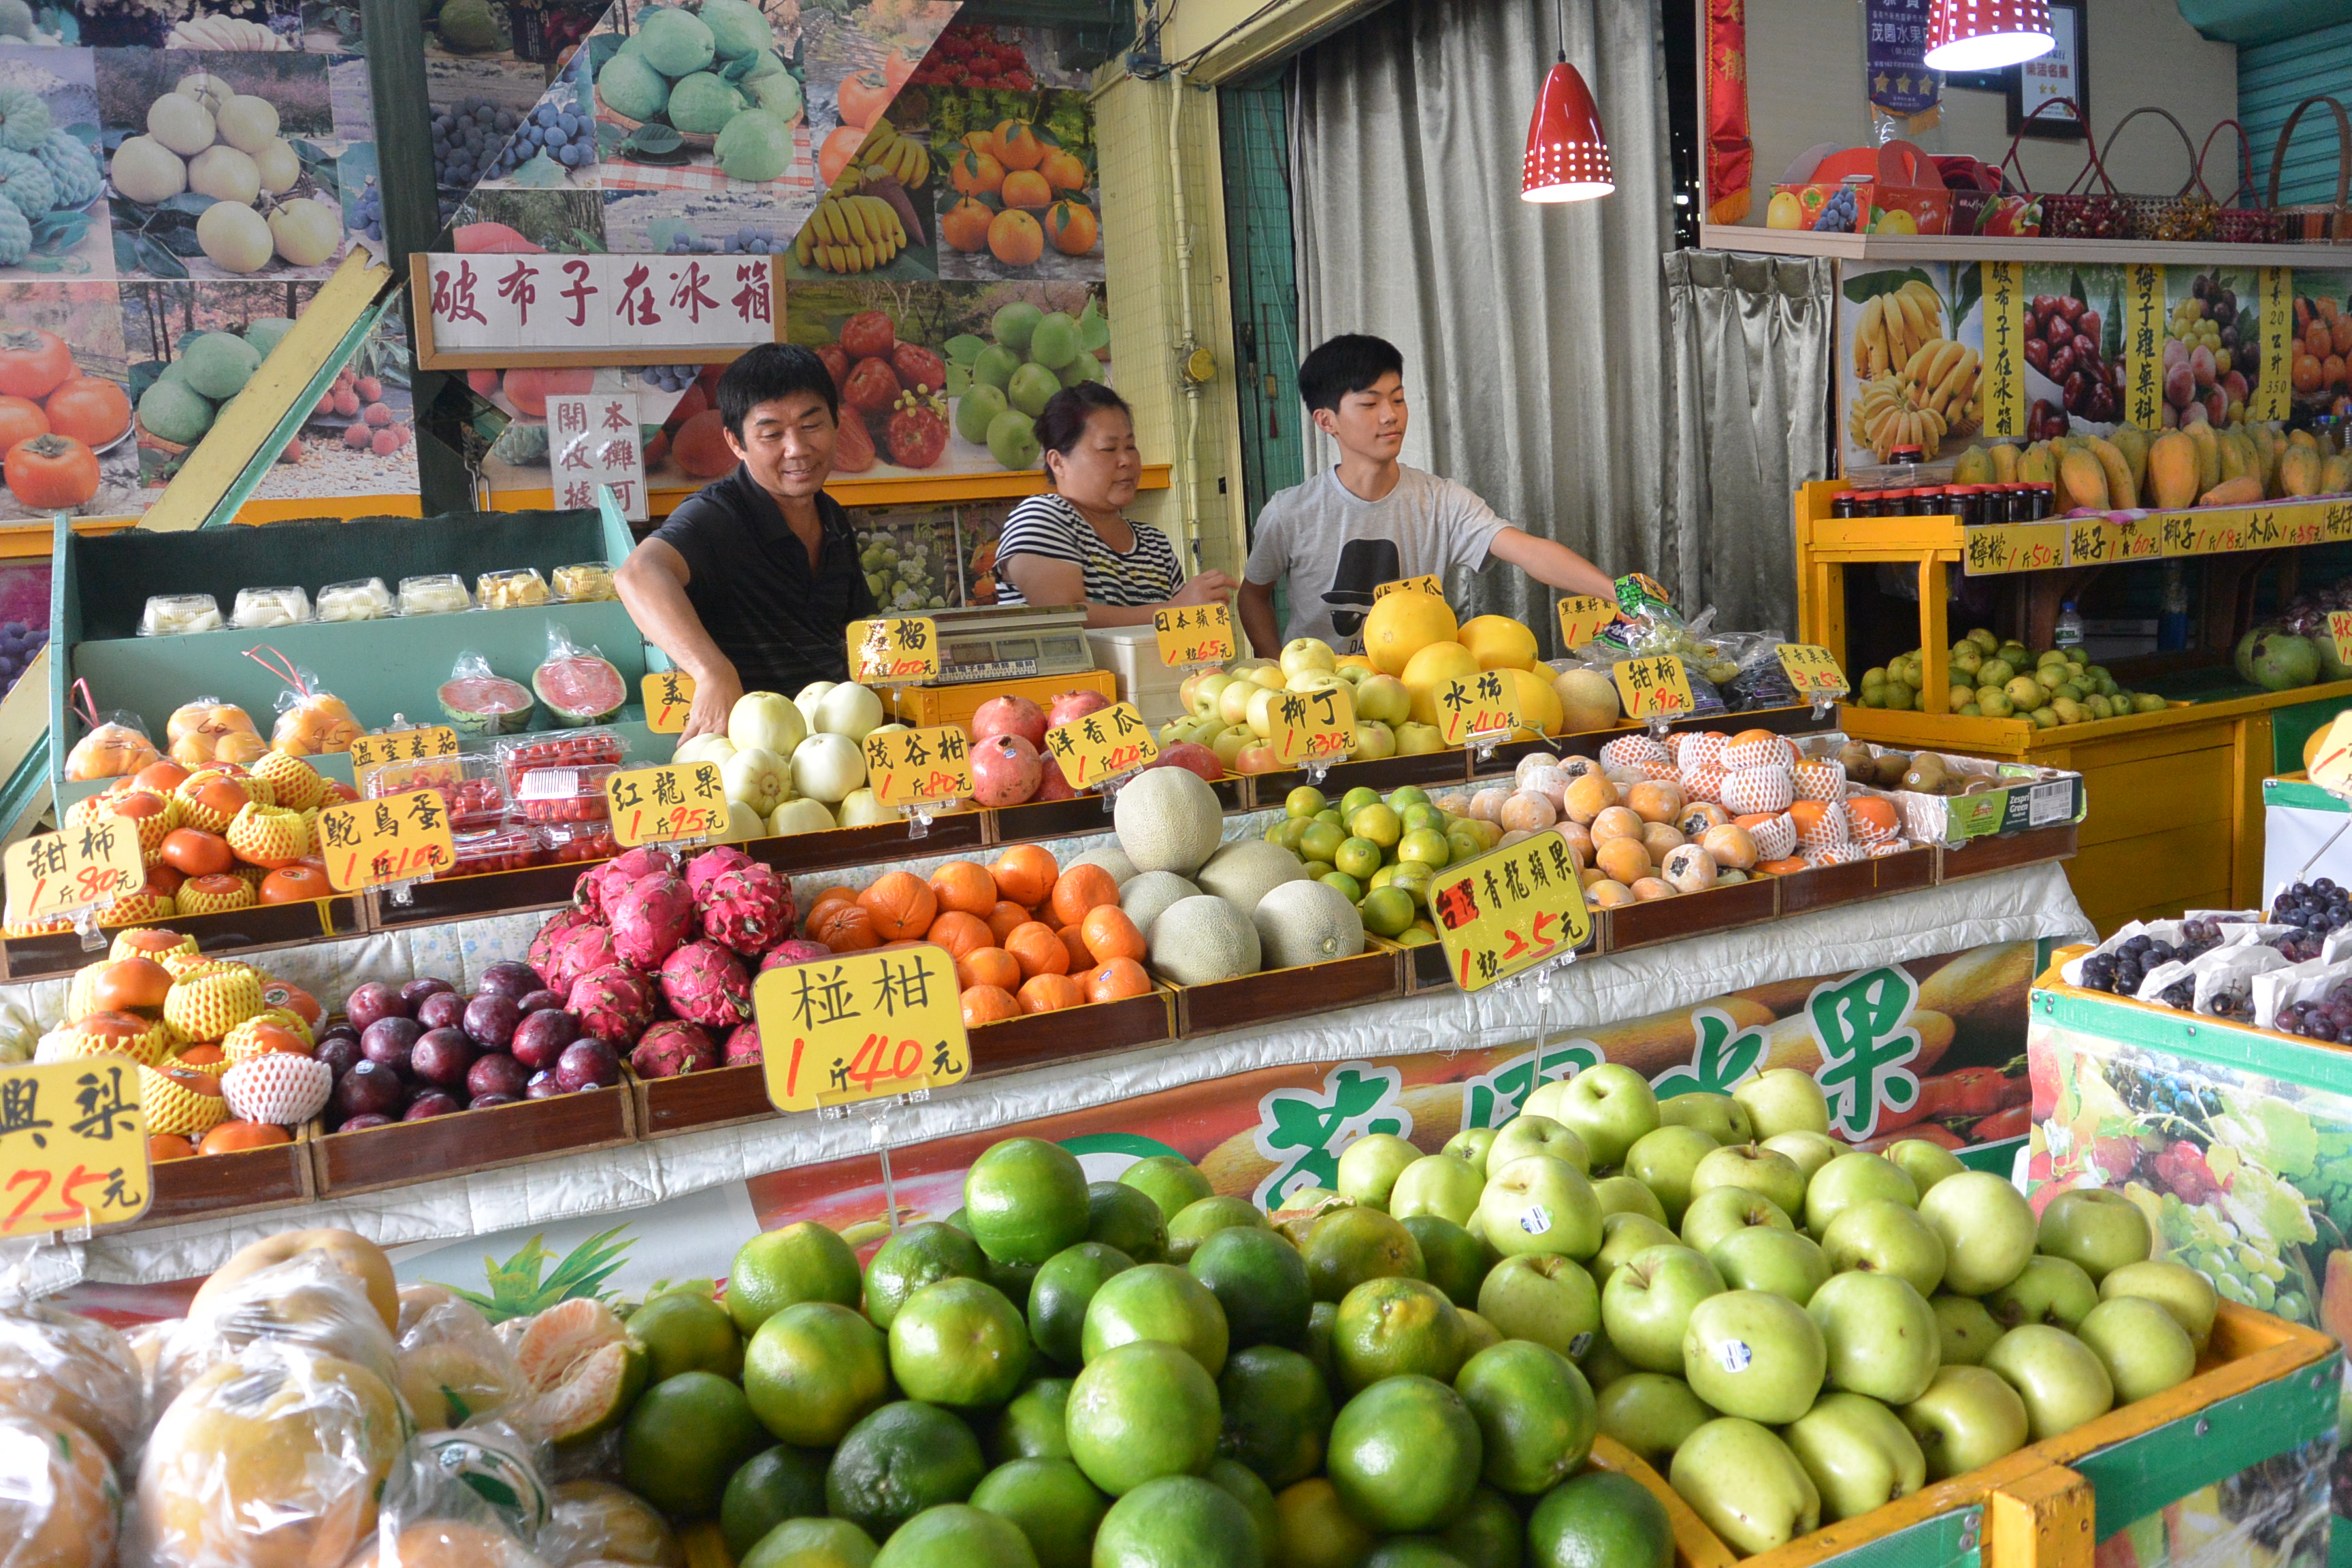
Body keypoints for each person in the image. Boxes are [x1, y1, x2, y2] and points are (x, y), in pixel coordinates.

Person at [1238, 334, 1617, 654]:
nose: (1390, 415)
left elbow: (1530, 551)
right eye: (1370, 403)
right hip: (1326, 696)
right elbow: (1253, 595)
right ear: (1326, 421)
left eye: (1398, 399)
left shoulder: (1441, 501)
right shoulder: (1290, 512)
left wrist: (1618, 593)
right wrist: (1277, 668)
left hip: (1420, 687)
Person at [617, 344, 875, 740]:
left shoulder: (833, 517)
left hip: (830, 746)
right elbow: (637, 574)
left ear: (836, 422)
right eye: (772, 434)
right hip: (744, 751)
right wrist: (711, 671)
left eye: (811, 426)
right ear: (736, 443)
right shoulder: (717, 515)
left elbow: (854, 629)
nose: (797, 449)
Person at [993, 382, 1237, 625]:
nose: (1126, 460)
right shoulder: (1039, 517)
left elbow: (1179, 631)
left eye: (1130, 447)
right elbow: (1066, 617)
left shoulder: (1155, 544)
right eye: (1108, 449)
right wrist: (1173, 611)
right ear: (1058, 462)